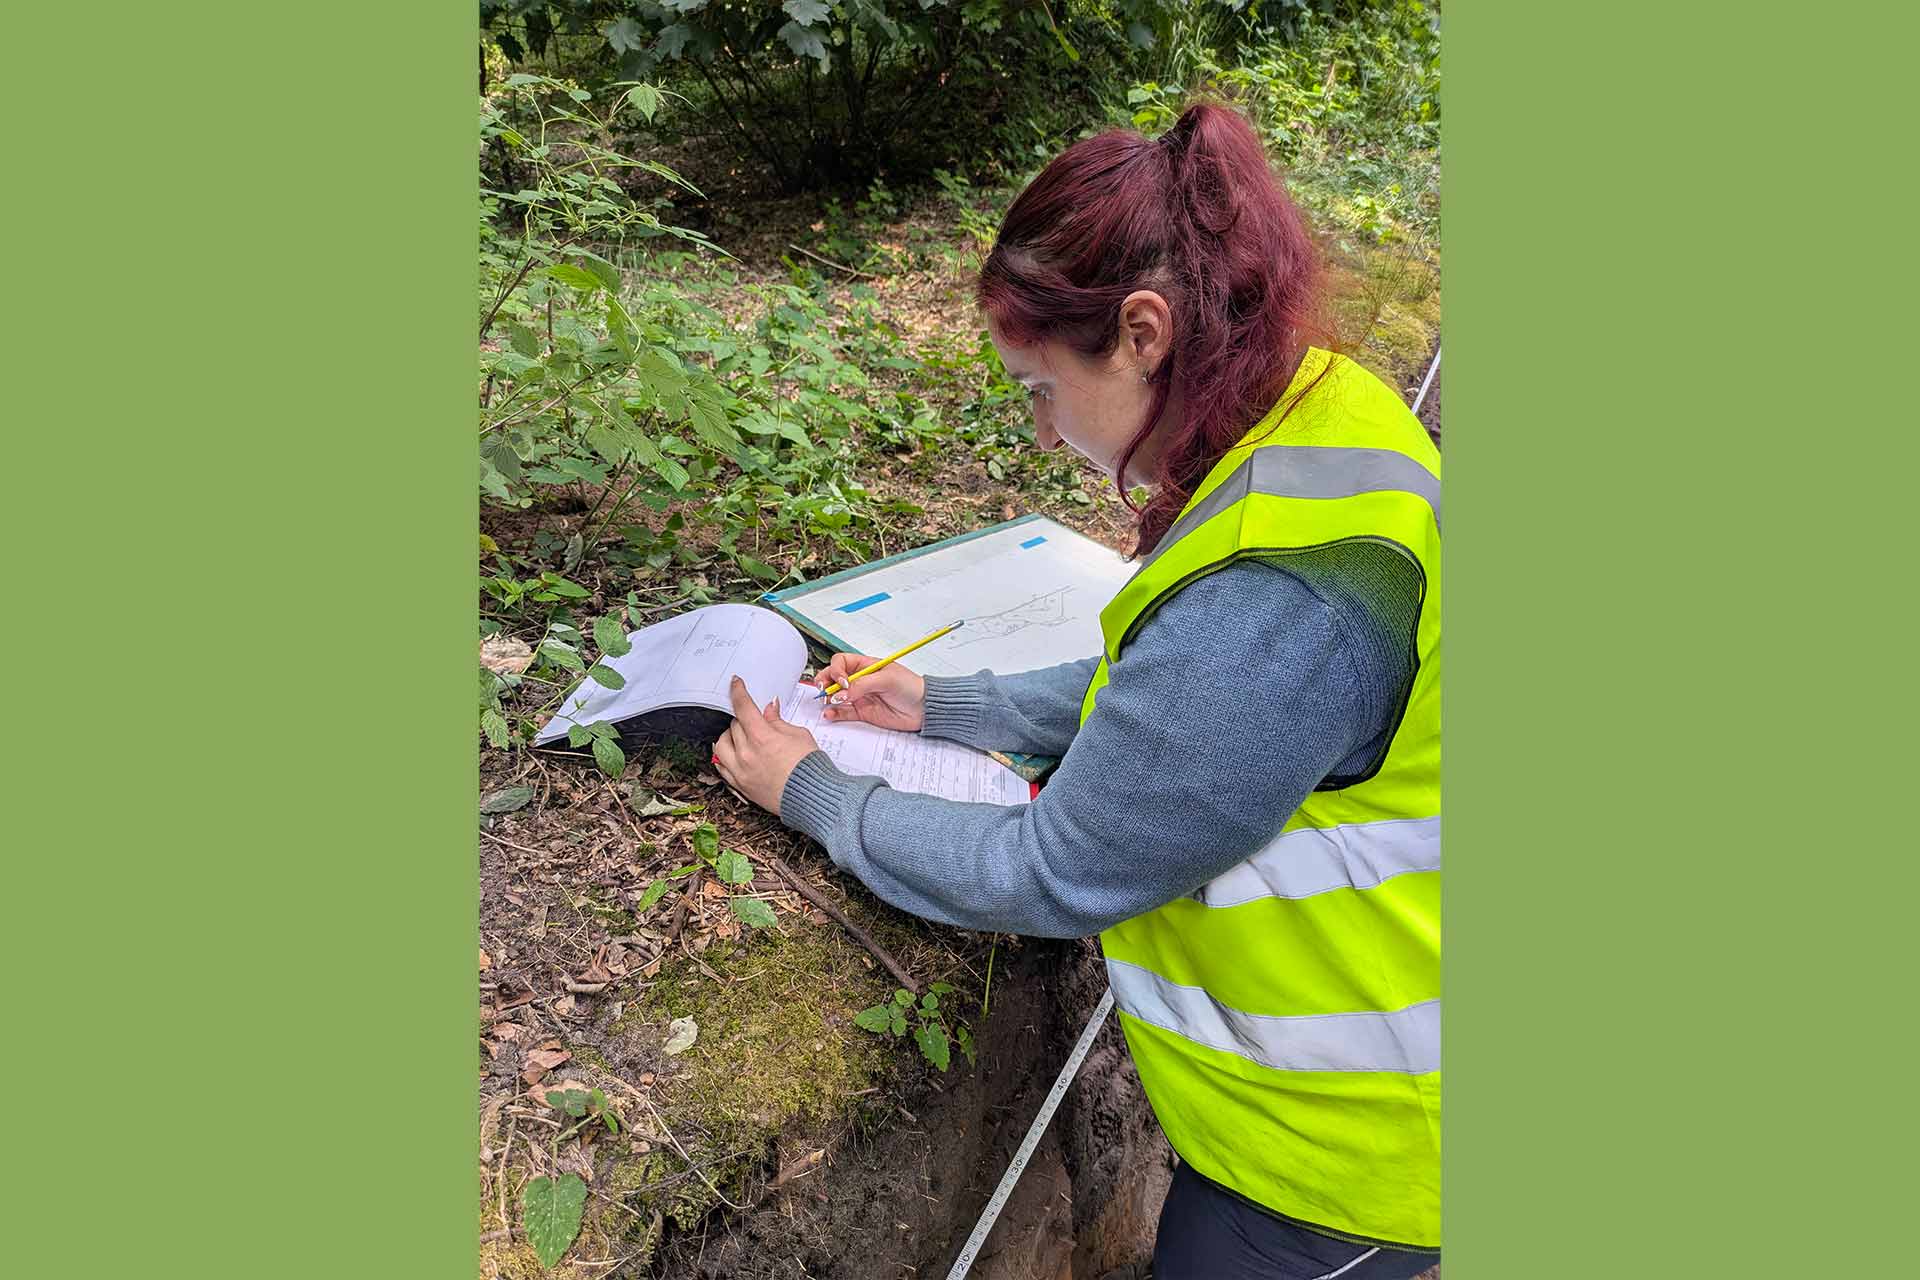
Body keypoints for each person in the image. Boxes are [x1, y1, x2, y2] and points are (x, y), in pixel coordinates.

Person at [712, 102, 1440, 1279]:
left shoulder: (1283, 604)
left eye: (1042, 388)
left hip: (1342, 1160)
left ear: (1145, 332)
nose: (1046, 428)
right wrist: (947, 706)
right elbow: (1174, 696)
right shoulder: (1315, 413)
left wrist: (815, 788)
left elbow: (1056, 866)